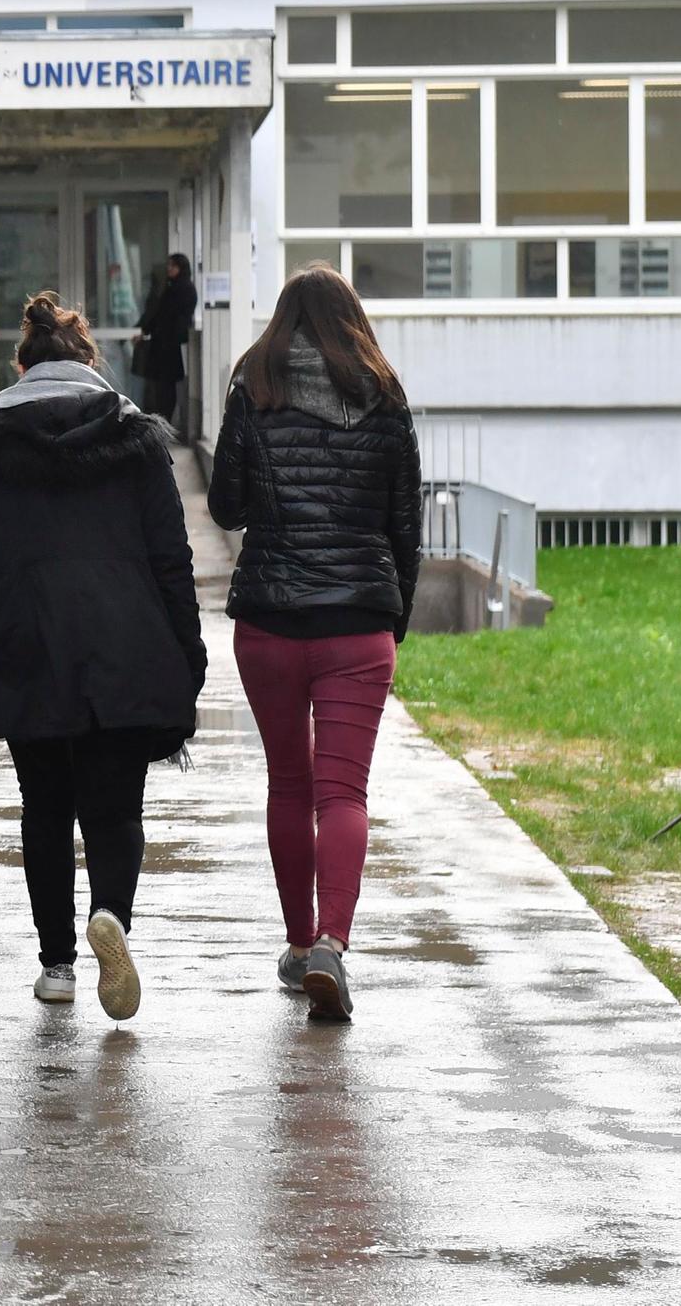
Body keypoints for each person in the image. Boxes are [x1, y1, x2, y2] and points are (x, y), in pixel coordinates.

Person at [0, 293, 204, 1021]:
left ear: (21, 366)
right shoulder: (139, 440)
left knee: (45, 809)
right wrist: (188, 653)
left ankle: (57, 964)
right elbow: (171, 560)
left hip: (25, 646)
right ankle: (111, 914)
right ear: (91, 363)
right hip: (127, 644)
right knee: (116, 810)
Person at [208, 264, 422, 1025]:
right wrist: (391, 618)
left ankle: (299, 946)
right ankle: (334, 940)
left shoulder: (254, 385)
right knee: (343, 792)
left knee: (289, 786)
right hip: (358, 622)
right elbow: (406, 526)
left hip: (269, 618)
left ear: (283, 319)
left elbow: (226, 506)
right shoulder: (384, 394)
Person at [131, 253, 199, 438]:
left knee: (165, 389)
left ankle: (164, 424)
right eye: (168, 265)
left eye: (173, 266)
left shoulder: (183, 289)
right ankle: (161, 423)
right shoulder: (171, 288)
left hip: (168, 347)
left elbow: (168, 317)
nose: (169, 269)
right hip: (164, 346)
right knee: (161, 388)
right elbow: (158, 315)